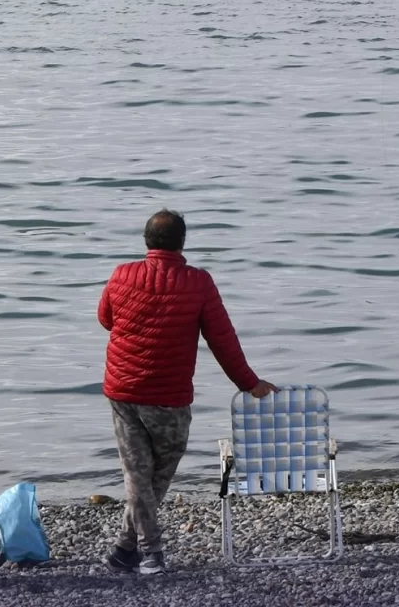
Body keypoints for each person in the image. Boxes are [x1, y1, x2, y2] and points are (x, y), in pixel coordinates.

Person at [98, 210, 277, 576]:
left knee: (138, 475)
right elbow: (222, 340)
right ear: (182, 242)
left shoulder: (120, 274)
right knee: (153, 476)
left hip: (124, 391)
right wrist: (249, 383)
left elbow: (106, 318)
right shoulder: (198, 283)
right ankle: (152, 553)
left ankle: (124, 550)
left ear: (146, 241)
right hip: (169, 397)